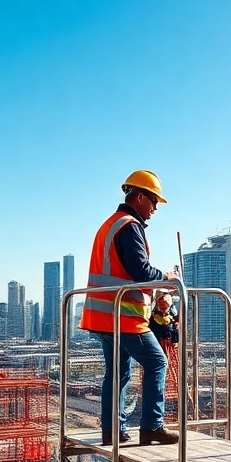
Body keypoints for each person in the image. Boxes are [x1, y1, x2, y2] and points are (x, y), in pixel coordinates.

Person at [80, 170, 180, 446]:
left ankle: (113, 430)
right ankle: (152, 426)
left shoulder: (110, 224)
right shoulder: (129, 226)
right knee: (157, 362)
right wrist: (167, 280)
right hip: (123, 318)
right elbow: (140, 270)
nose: (155, 208)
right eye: (153, 201)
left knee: (119, 372)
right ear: (139, 197)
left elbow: (124, 273)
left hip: (103, 317)